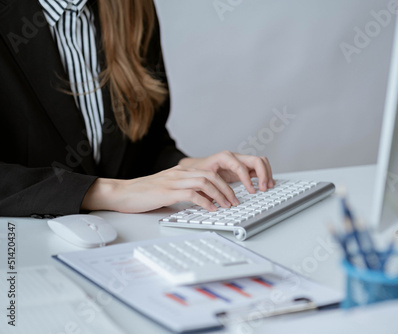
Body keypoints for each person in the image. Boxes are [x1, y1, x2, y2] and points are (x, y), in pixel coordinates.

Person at [0, 0, 274, 218]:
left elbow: (143, 146)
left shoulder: (132, 8)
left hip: (120, 241)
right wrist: (111, 191)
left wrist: (188, 168)